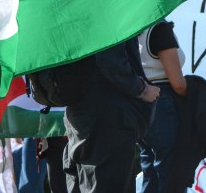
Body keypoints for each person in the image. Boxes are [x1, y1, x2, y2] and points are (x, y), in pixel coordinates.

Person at [62, 37, 159, 193]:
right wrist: (141, 89)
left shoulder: (70, 16)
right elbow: (110, 59)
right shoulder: (103, 15)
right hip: (108, 115)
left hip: (80, 112)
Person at [137, 21, 187, 193]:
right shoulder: (159, 29)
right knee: (169, 168)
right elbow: (178, 83)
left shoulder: (134, 26)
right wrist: (196, 95)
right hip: (162, 100)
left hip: (141, 100)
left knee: (150, 166)